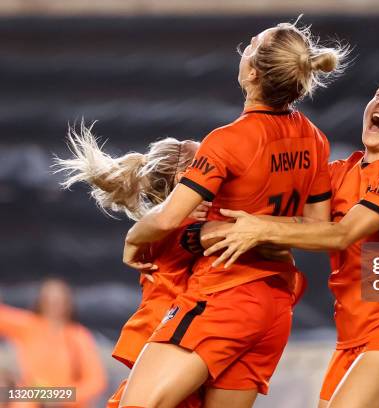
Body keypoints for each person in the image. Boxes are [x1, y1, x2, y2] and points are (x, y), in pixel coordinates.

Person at [201, 75, 379, 408]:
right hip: (352, 337)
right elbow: (305, 223)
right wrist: (220, 222)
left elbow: (341, 235)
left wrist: (259, 229)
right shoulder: (341, 171)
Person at [119, 20, 348, 408]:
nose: (245, 46)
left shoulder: (228, 140)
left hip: (225, 294)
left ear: (254, 71)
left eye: (252, 43)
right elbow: (318, 228)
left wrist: (132, 241)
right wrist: (266, 230)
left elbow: (167, 220)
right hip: (275, 305)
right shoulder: (315, 137)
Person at [54, 124, 207, 408]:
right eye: (207, 165)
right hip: (170, 334)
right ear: (183, 176)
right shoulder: (172, 223)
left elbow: (91, 384)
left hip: (176, 333)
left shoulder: (77, 337)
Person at [0, 278, 107, 408]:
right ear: (40, 301)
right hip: (32, 395)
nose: (53, 305)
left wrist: (57, 396)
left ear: (67, 304)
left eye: (58, 301)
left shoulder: (78, 335)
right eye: (48, 300)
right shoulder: (29, 325)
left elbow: (96, 382)